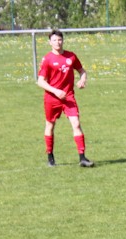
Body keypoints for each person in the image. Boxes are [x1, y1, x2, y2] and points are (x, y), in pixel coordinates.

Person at [37, 29, 94, 168]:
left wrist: (82, 80)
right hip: (52, 98)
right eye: (55, 40)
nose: (58, 42)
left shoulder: (71, 57)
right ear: (50, 42)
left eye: (60, 40)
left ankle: (82, 158)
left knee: (76, 124)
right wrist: (56, 91)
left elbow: (82, 71)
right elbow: (40, 81)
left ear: (63, 41)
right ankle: (50, 157)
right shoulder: (47, 59)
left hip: (68, 97)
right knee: (50, 125)